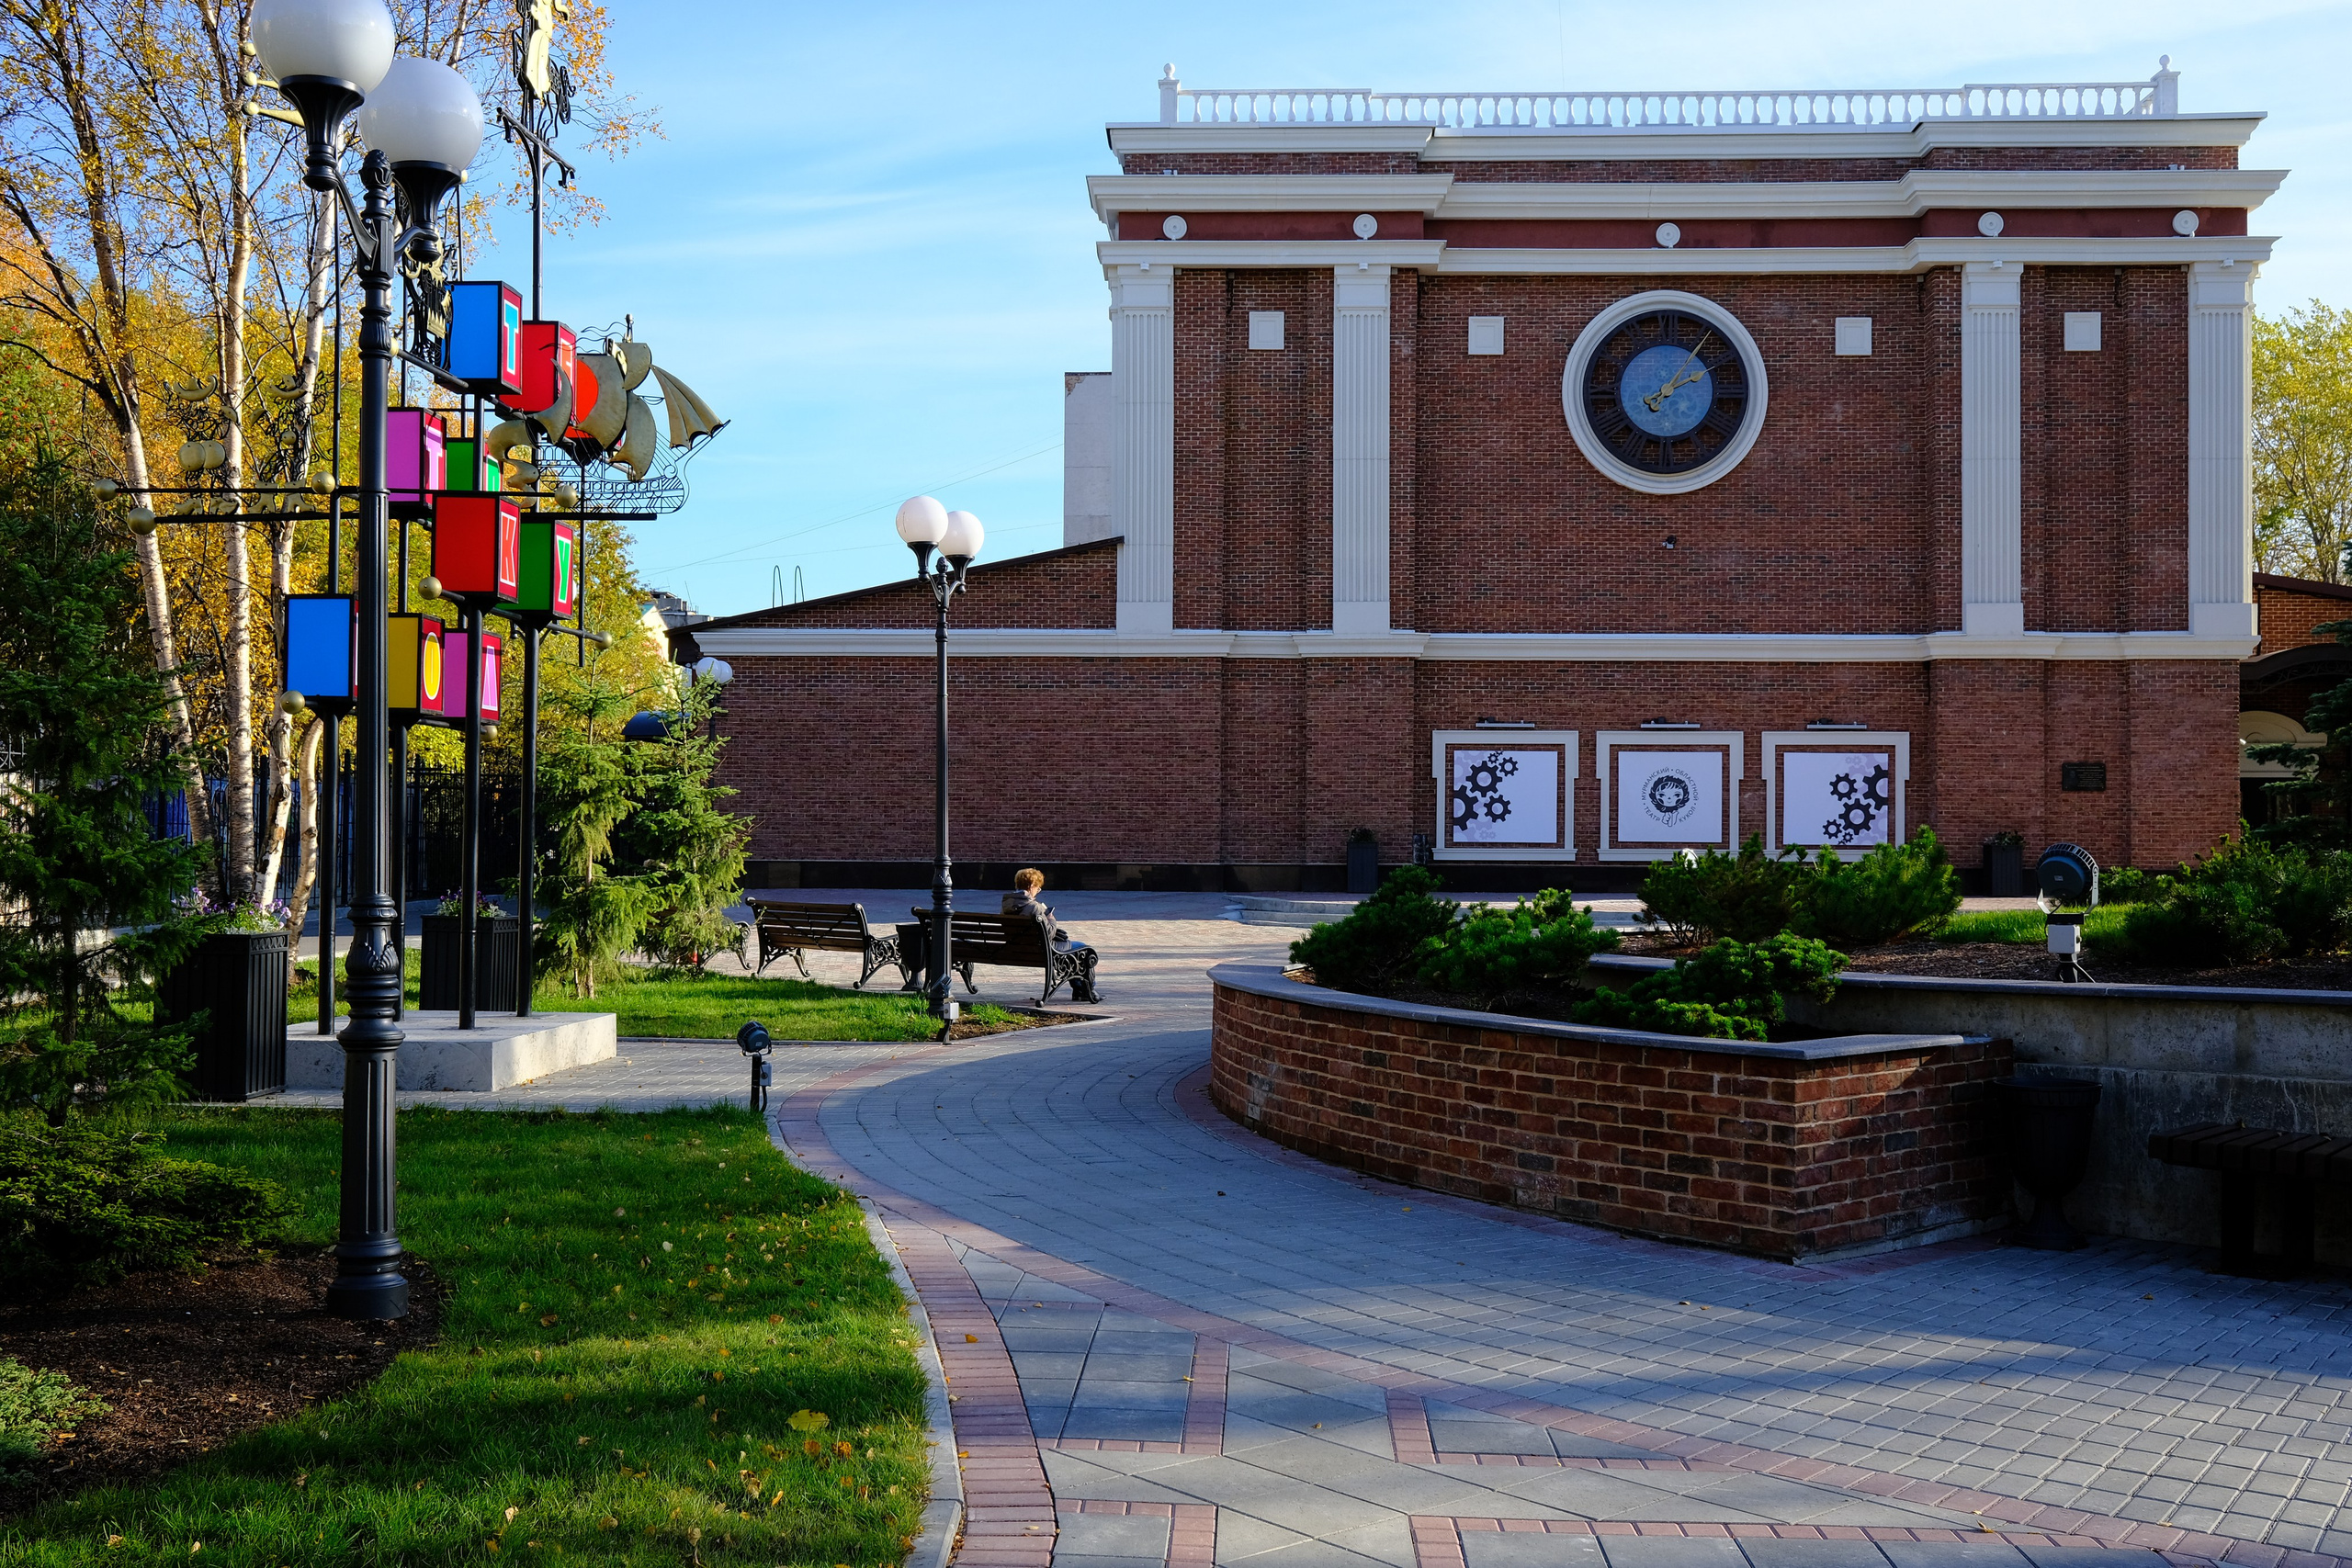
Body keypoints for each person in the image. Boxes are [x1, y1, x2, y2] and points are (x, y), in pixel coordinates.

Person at [1002, 868, 1102, 1003]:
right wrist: (1050, 918)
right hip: (1043, 951)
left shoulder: (1006, 905)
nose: (1038, 891)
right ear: (1031, 886)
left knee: (1072, 948)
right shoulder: (1034, 907)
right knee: (1084, 949)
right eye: (1038, 888)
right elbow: (1049, 933)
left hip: (1018, 950)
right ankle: (1087, 990)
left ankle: (1080, 989)